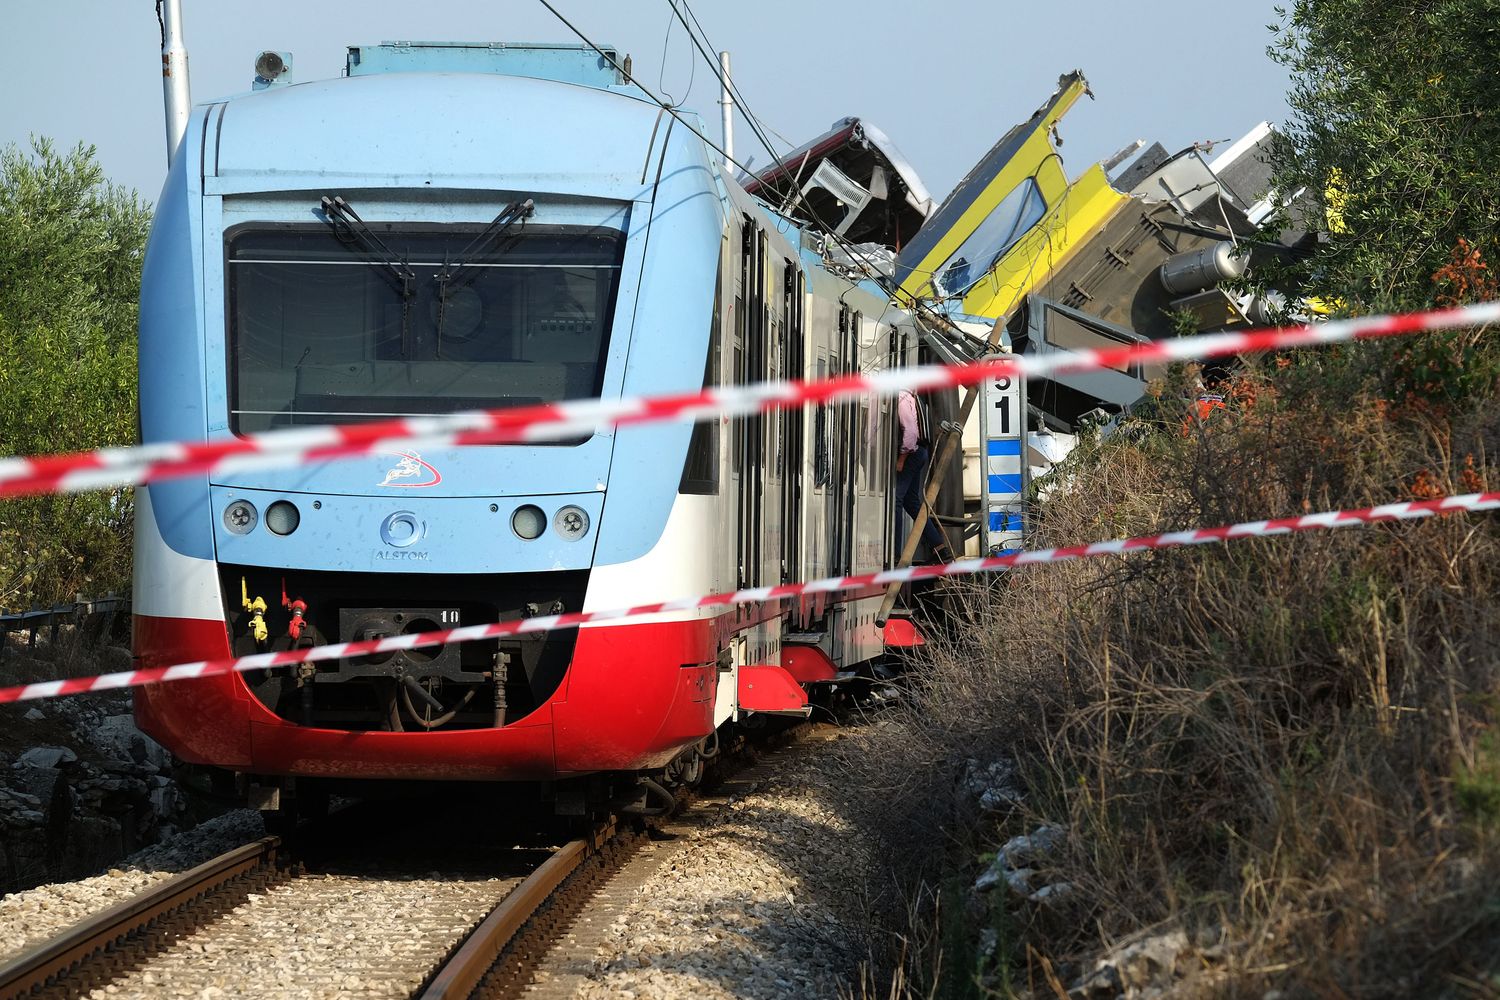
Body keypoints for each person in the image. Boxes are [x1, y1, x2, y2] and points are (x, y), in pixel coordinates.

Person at [895, 388, 951, 561]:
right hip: (920, 452)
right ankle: (939, 547)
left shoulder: (901, 398)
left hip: (912, 453)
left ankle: (894, 551)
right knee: (911, 501)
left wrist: (902, 458)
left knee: (895, 499)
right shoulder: (912, 397)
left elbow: (911, 433)